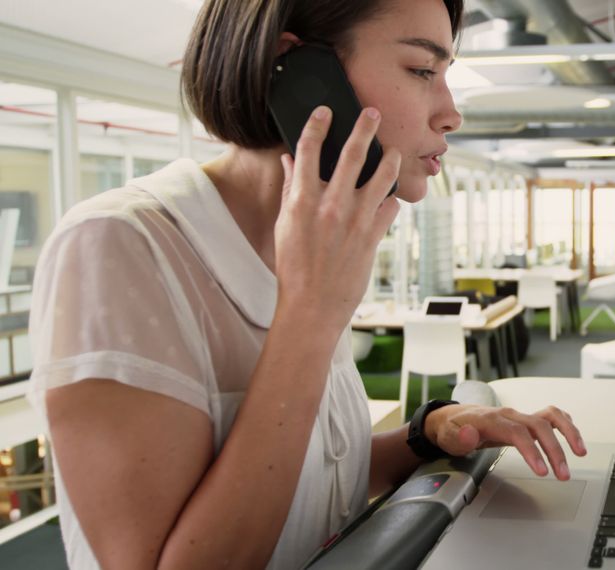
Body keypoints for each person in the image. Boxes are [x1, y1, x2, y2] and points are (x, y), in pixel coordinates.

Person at [26, 0, 586, 568]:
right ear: (296, 68)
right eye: (422, 71)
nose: (450, 115)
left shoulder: (309, 244)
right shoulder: (116, 247)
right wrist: (310, 314)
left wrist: (430, 433)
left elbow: (308, 476)